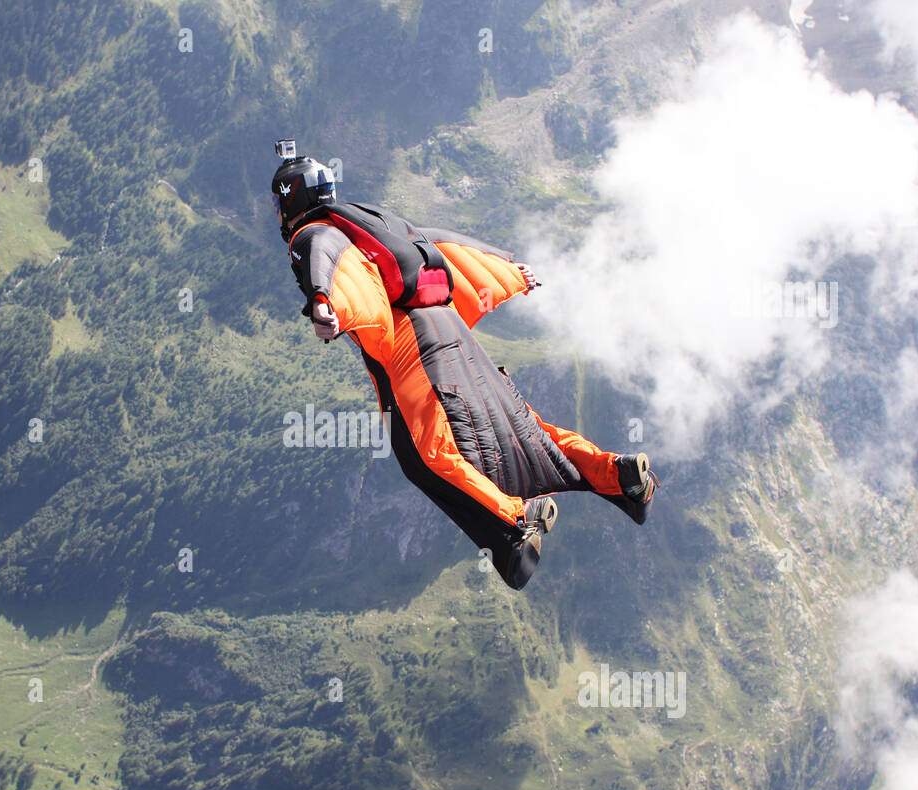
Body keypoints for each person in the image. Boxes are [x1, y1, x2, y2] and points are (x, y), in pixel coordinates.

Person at [271, 141, 657, 589]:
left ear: (291, 198)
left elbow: (323, 256)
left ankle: (516, 525)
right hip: (456, 334)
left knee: (427, 457)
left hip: (414, 349)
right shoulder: (377, 221)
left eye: (279, 203)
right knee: (520, 433)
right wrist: (509, 267)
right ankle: (620, 476)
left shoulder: (315, 232)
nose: (279, 214)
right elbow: (443, 243)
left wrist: (322, 302)